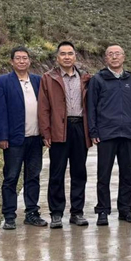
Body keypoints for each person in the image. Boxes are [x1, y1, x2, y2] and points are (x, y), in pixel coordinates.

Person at [38, 41, 92, 228]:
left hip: (80, 128)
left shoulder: (85, 77)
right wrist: (46, 132)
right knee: (57, 172)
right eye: (63, 54)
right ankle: (56, 213)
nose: (67, 57)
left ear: (75, 56)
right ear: (57, 57)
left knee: (79, 172)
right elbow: (43, 107)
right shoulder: (48, 78)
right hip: (58, 128)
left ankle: (77, 212)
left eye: (70, 53)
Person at [0, 46, 47, 230]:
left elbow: (45, 108)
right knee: (11, 177)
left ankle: (31, 212)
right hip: (14, 139)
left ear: (29, 61)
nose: (22, 61)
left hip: (35, 138)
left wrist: (45, 134)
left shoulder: (37, 80)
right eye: (18, 58)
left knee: (33, 177)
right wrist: (1, 136)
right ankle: (9, 215)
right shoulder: (2, 82)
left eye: (25, 58)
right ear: (12, 61)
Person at [87, 44, 131, 226]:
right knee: (104, 175)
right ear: (105, 58)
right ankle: (102, 210)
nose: (114, 57)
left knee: (127, 174)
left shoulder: (130, 80)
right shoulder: (98, 79)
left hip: (127, 133)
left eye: (118, 54)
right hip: (106, 134)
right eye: (111, 54)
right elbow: (91, 106)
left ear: (124, 57)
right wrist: (93, 130)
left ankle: (125, 209)